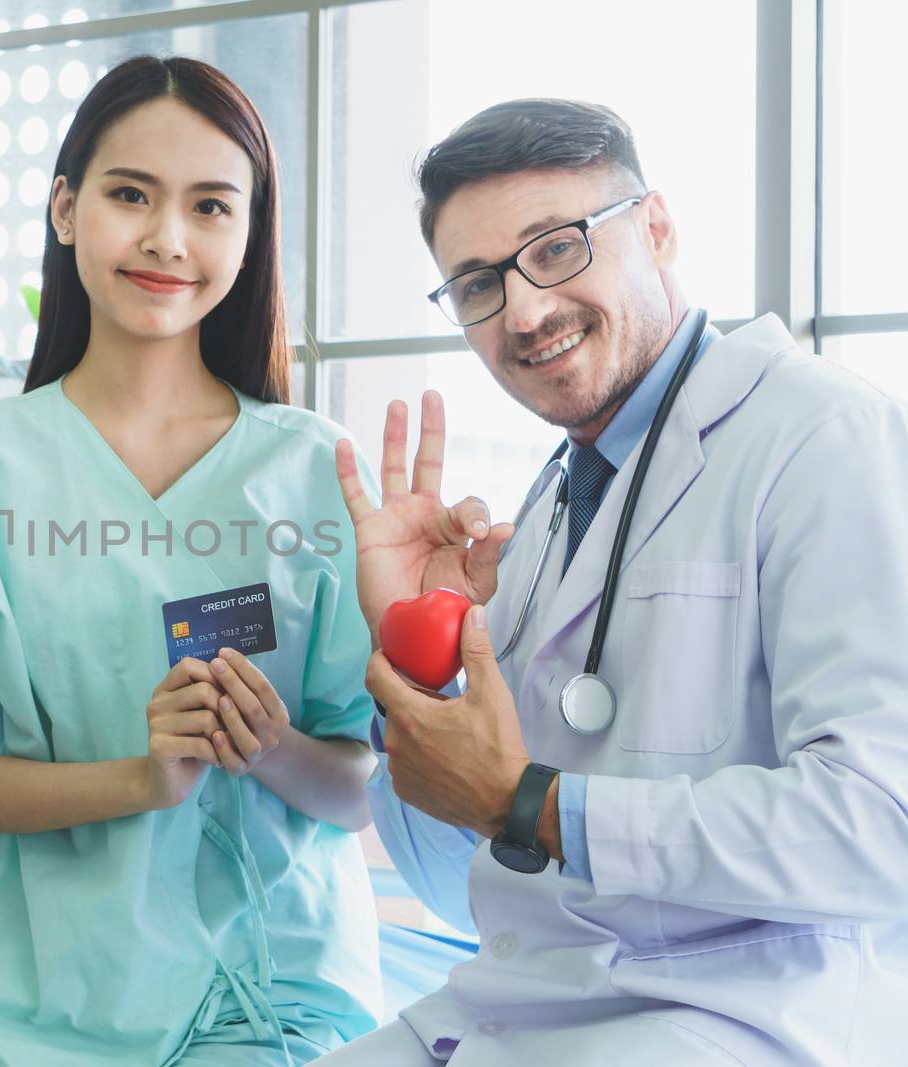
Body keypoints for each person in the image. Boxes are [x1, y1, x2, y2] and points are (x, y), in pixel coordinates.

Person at [0, 56, 406, 1066]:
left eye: (211, 205)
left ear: (250, 231)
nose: (167, 238)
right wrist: (141, 777)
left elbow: (361, 786)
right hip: (6, 996)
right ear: (63, 207)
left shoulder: (316, 471)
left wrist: (267, 749)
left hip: (265, 995)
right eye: (131, 194)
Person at [315, 99, 908, 1066]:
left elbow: (883, 828)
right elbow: (453, 880)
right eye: (477, 284)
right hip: (525, 1004)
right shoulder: (551, 510)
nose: (526, 311)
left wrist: (534, 802)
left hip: (749, 1017)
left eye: (556, 248)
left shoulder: (825, 437)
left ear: (658, 227)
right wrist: (418, 661)